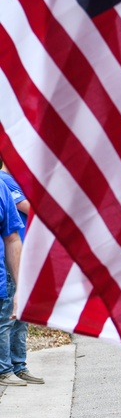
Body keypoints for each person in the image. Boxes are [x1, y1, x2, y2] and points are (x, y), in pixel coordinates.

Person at [0, 162, 38, 386]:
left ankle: (18, 366)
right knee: (6, 317)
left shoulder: (13, 183)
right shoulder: (5, 181)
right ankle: (5, 369)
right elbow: (33, 209)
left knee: (19, 314)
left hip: (21, 257)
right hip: (8, 261)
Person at [0, 178, 24, 388]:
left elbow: (12, 237)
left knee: (11, 320)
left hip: (3, 277)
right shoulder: (6, 180)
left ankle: (16, 367)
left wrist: (20, 284)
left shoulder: (1, 187)